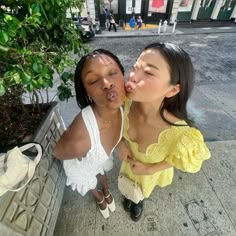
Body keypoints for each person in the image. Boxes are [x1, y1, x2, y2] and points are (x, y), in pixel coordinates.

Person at [117, 42, 211, 222]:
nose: (133, 76)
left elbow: (177, 159)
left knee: (142, 190)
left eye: (149, 72)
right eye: (135, 67)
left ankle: (138, 201)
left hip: (150, 171)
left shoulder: (181, 133)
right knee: (128, 183)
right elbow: (114, 126)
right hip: (128, 164)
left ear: (173, 89)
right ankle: (129, 197)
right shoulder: (124, 104)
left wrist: (149, 168)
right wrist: (120, 143)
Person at [53, 49, 125, 219]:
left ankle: (106, 190)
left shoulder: (121, 107)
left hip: (98, 157)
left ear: (123, 75)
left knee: (101, 168)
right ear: (87, 93)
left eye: (113, 72)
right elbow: (57, 152)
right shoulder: (80, 139)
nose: (107, 83)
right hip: (81, 165)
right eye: (93, 80)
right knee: (90, 177)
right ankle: (99, 196)